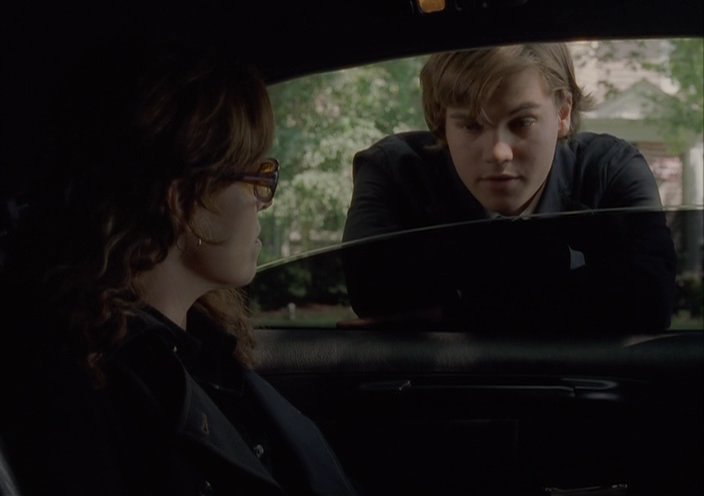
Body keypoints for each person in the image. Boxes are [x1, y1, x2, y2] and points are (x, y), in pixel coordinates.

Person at [0, 41, 357, 496]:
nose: (263, 202)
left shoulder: (196, 346)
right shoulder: (85, 390)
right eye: (257, 178)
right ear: (184, 201)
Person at [342, 43, 676, 331]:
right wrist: (563, 274)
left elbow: (650, 301)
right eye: (472, 125)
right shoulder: (396, 170)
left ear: (563, 113)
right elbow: (374, 293)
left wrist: (451, 310)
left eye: (522, 122)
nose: (499, 152)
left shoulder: (609, 169)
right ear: (441, 121)